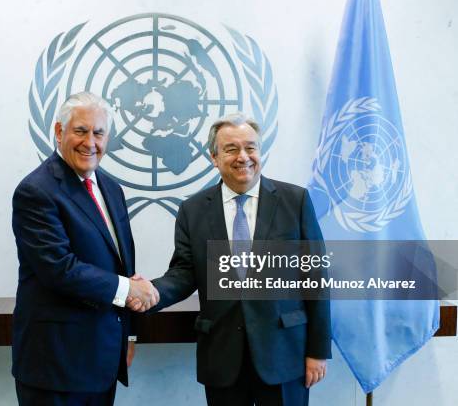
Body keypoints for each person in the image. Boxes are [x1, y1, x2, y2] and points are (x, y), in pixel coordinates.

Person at [129, 112, 331, 406]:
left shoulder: (295, 201)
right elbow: (185, 273)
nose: (243, 157)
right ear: (214, 157)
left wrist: (318, 350)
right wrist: (152, 291)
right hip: (223, 356)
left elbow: (317, 278)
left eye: (250, 147)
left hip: (285, 353)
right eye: (231, 149)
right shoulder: (193, 210)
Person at [12, 92, 158, 405]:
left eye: (99, 133)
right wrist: (130, 289)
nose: (89, 142)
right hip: (55, 366)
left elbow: (122, 265)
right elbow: (59, 269)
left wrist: (128, 334)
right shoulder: (36, 191)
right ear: (59, 132)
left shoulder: (111, 188)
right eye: (80, 131)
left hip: (102, 360)